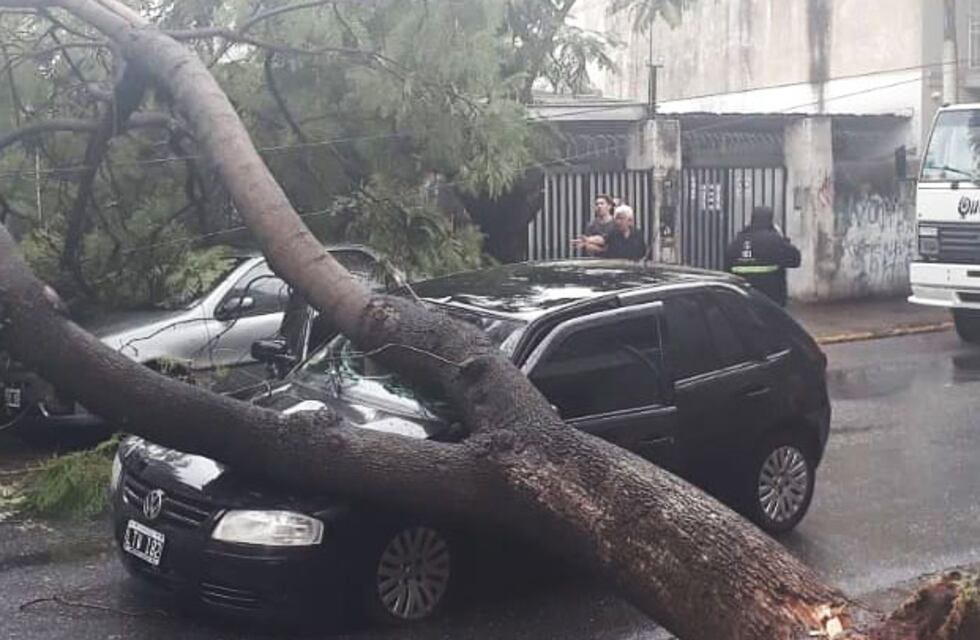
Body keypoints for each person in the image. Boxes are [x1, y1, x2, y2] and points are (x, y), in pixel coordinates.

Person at [724, 206, 801, 306]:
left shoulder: (738, 240)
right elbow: (795, 260)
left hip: (742, 299)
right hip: (770, 299)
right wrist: (782, 238)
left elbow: (727, 268)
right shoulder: (774, 240)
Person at [572, 204, 647, 260]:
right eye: (616, 218)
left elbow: (642, 253)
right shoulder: (613, 233)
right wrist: (587, 240)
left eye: (621, 218)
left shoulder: (638, 234)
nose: (617, 222)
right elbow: (602, 239)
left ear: (630, 220)